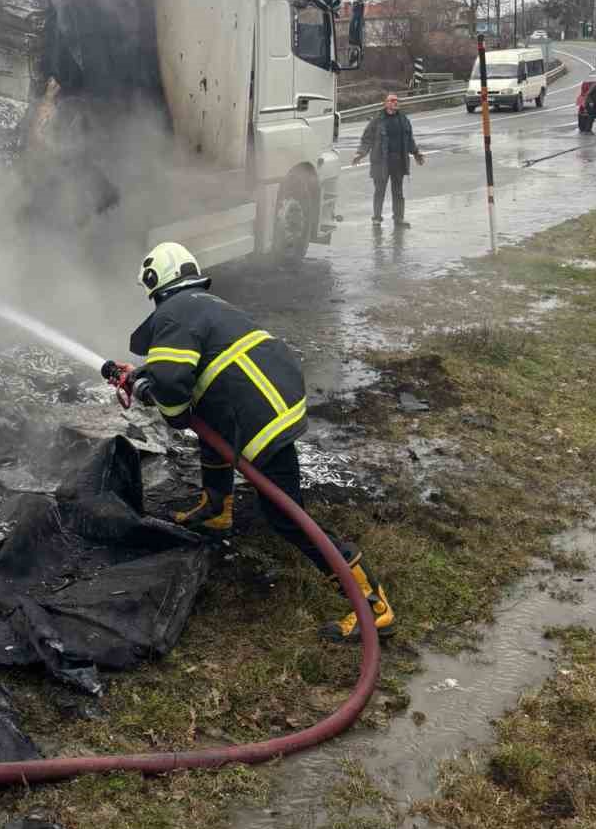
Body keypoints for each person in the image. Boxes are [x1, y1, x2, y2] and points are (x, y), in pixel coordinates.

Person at [126, 240, 395, 643]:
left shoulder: (174, 311)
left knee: (287, 516)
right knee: (212, 436)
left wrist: (164, 403)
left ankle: (373, 605)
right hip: (269, 397)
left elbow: (172, 384)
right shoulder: (201, 304)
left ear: (155, 284)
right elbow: (182, 365)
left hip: (260, 413)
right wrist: (144, 377)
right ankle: (216, 507)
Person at [352, 93, 425, 226]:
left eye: (397, 101)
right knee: (379, 191)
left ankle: (399, 218)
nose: (395, 103)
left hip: (398, 161)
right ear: (385, 103)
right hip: (381, 161)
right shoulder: (377, 120)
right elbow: (366, 139)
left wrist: (416, 153)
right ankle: (376, 218)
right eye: (392, 101)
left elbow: (409, 139)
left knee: (398, 192)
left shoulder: (403, 119)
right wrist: (360, 153)